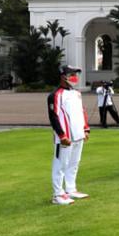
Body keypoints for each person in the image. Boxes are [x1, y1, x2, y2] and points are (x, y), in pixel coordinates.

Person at [47, 65, 90, 205]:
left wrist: (86, 129)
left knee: (74, 163)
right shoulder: (55, 95)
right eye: (71, 74)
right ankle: (57, 194)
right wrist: (61, 135)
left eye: (76, 74)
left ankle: (70, 189)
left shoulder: (77, 93)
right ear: (63, 76)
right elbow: (53, 117)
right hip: (65, 137)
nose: (74, 77)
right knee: (60, 164)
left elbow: (82, 111)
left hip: (78, 134)